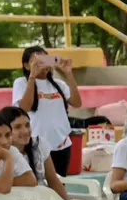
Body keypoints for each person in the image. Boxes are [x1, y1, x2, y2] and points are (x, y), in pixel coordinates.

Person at [13, 46, 82, 175]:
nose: (43, 64)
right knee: (39, 185)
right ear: (26, 65)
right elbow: (24, 108)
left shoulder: (58, 84)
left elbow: (77, 102)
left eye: (45, 59)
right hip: (36, 146)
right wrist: (32, 76)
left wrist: (68, 73)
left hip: (61, 144)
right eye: (38, 60)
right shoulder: (21, 82)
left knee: (59, 184)